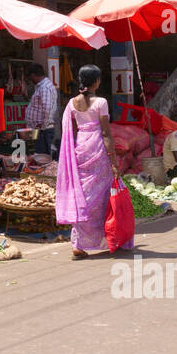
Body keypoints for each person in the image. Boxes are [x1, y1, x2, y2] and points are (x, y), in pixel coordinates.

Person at [55, 64, 124, 260]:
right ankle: (107, 238)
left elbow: (74, 129)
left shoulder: (72, 103)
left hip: (80, 147)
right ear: (96, 81)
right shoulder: (101, 102)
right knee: (101, 196)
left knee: (83, 194)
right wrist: (113, 160)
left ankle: (78, 243)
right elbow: (105, 132)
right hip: (97, 147)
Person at [23, 64, 59, 157]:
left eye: (31, 77)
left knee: (41, 156)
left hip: (42, 130)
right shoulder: (41, 86)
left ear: (34, 75)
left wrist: (42, 125)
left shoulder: (45, 87)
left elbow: (48, 109)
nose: (31, 80)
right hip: (39, 129)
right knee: (38, 155)